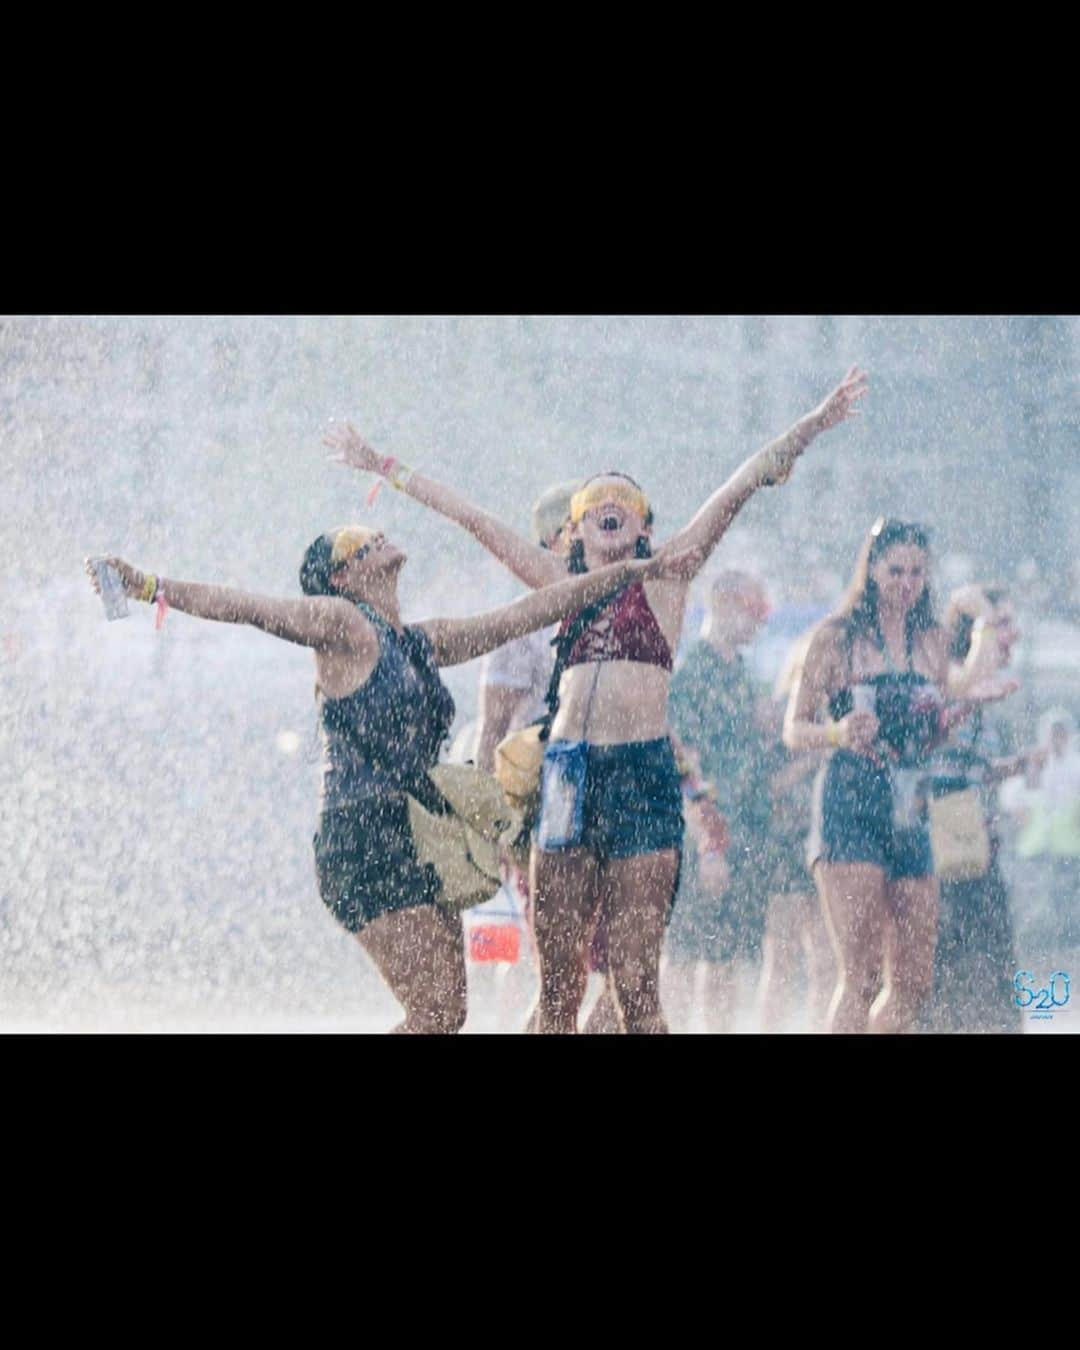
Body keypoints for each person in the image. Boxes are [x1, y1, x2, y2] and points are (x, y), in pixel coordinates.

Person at [326, 365, 870, 1033]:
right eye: (593, 504)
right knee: (556, 990)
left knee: (637, 988)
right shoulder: (556, 579)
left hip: (641, 775)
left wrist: (816, 421)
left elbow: (746, 481)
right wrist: (380, 463)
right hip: (567, 775)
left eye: (625, 500)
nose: (608, 503)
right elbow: (473, 518)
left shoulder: (671, 574)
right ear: (576, 533)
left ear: (643, 527)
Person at [85, 524, 695, 1034]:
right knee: (433, 1013)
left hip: (414, 836)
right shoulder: (340, 622)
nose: (377, 538)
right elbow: (252, 609)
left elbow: (519, 616)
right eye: (359, 543)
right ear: (342, 577)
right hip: (360, 839)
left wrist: (625, 574)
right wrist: (149, 586)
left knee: (446, 1013)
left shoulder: (420, 642)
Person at [783, 518, 1014, 1034]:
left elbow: (956, 689)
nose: (906, 583)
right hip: (850, 802)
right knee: (860, 978)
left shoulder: (930, 640)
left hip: (909, 808)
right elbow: (794, 730)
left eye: (916, 572)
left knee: (913, 982)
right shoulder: (837, 637)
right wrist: (839, 732)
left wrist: (980, 623)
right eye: (895, 571)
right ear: (871, 570)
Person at [663, 571, 776, 1032]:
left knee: (727, 961)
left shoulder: (743, 676)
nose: (759, 622)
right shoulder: (692, 677)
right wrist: (710, 845)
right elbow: (685, 764)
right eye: (752, 609)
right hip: (704, 837)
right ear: (723, 604)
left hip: (745, 832)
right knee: (687, 958)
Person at [923, 584, 1032, 1033]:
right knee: (950, 975)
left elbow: (969, 769)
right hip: (943, 855)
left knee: (991, 977)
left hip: (978, 850)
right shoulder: (952, 679)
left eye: (1007, 621)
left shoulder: (989, 696)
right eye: (1000, 622)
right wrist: (980, 615)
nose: (1012, 633)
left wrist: (1013, 767)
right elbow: (933, 757)